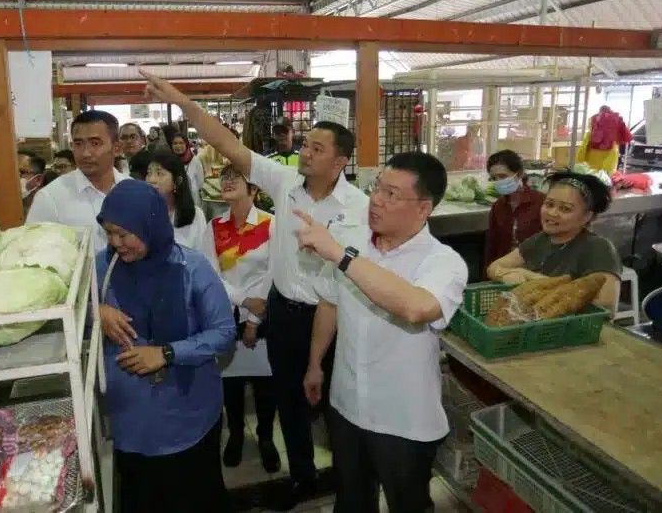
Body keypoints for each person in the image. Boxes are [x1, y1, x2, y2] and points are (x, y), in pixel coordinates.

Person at [142, 71, 369, 510]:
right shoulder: (285, 184)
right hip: (283, 312)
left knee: (335, 406)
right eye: (305, 145)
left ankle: (347, 486)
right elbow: (227, 144)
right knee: (288, 401)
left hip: (333, 316)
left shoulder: (357, 209)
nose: (305, 153)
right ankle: (302, 477)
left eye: (317, 149)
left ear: (341, 161)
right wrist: (182, 101)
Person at [297, 152, 468, 513]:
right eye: (377, 188)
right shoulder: (356, 243)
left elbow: (417, 307)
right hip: (346, 405)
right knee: (352, 501)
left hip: (402, 419)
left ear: (423, 209)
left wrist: (340, 256)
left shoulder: (442, 262)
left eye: (392, 194)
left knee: (407, 504)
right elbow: (329, 304)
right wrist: (315, 363)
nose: (376, 200)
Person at [96, 180, 234, 513]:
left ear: (151, 225)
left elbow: (224, 332)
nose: (116, 244)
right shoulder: (103, 268)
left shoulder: (191, 268)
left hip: (187, 419)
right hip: (131, 420)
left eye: (124, 235)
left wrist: (167, 353)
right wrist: (95, 311)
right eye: (109, 234)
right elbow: (70, 310)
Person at [199, 163, 280, 472]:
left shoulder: (272, 225)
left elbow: (273, 273)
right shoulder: (213, 227)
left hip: (265, 316)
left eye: (236, 177)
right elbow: (212, 273)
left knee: (266, 385)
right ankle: (234, 434)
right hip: (227, 315)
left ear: (254, 189)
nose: (228, 181)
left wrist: (254, 319)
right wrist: (243, 302)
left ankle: (266, 436)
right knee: (230, 385)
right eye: (225, 177)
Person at [487, 171, 622, 312]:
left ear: (587, 216)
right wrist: (513, 275)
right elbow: (494, 267)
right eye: (549, 204)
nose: (552, 213)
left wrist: (534, 280)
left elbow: (607, 306)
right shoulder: (541, 240)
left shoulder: (599, 248)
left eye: (565, 209)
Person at [27, 110, 129, 253]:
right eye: (78, 144)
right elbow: (32, 252)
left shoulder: (134, 192)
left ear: (117, 148)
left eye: (95, 143)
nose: (86, 153)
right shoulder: (50, 198)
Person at [484, 150, 545, 269]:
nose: (499, 182)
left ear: (519, 174)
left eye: (503, 176)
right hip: (506, 269)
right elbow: (493, 245)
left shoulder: (541, 202)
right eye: (494, 178)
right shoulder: (498, 206)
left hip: (534, 270)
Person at [145, 150, 213, 256]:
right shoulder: (141, 212)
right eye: (149, 173)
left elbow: (203, 257)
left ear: (177, 181)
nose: (152, 180)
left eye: (160, 174)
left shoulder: (196, 215)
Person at [170, 132, 205, 208]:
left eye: (181, 143)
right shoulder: (169, 161)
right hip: (175, 201)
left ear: (186, 144)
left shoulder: (195, 161)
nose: (178, 146)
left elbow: (200, 183)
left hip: (192, 201)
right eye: (175, 143)